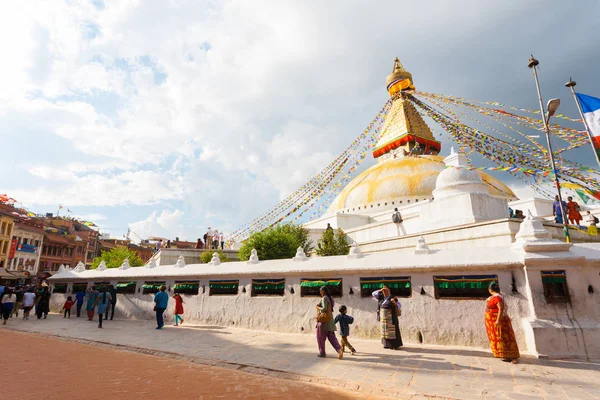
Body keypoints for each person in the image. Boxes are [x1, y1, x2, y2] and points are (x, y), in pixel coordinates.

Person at [485, 282, 520, 364]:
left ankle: (511, 356)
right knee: (500, 337)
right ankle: (505, 355)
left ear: (490, 290)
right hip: (493, 321)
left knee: (503, 337)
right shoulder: (495, 297)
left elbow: (500, 309)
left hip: (499, 321)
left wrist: (498, 320)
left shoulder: (497, 298)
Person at [315, 286, 343, 359]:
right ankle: (339, 350)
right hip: (330, 320)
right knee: (332, 337)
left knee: (320, 338)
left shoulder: (324, 298)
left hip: (323, 321)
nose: (320, 293)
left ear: (323, 291)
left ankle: (322, 352)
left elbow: (324, 309)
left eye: (321, 291)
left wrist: (318, 307)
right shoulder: (331, 298)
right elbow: (330, 308)